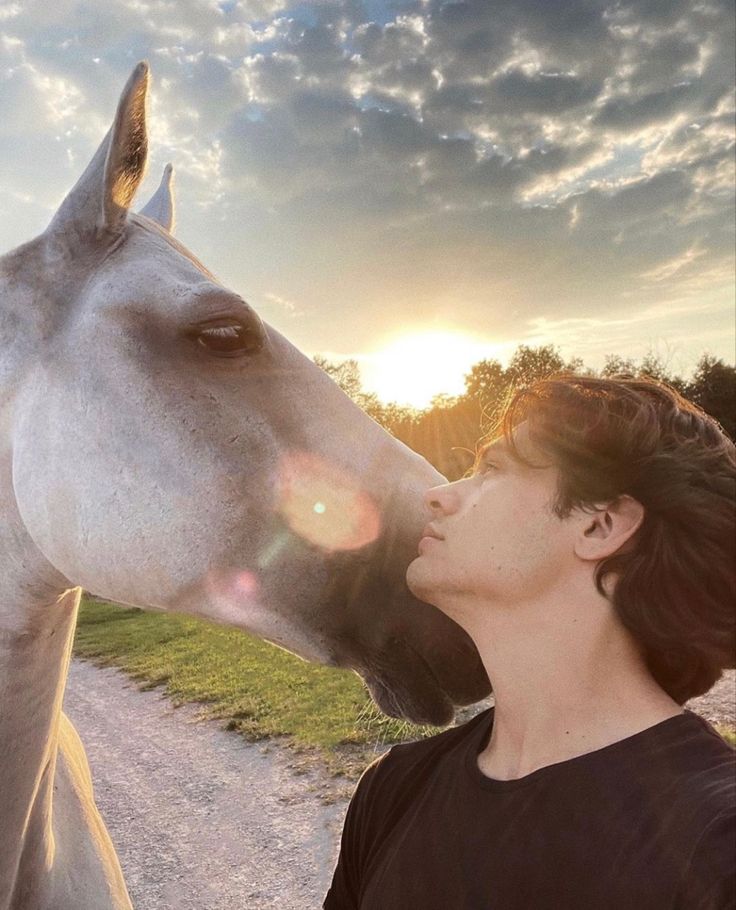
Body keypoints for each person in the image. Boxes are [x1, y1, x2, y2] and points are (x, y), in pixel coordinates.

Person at [323, 374, 736, 910]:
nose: (438, 494)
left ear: (600, 526)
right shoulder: (393, 790)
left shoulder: (717, 848)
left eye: (492, 469)